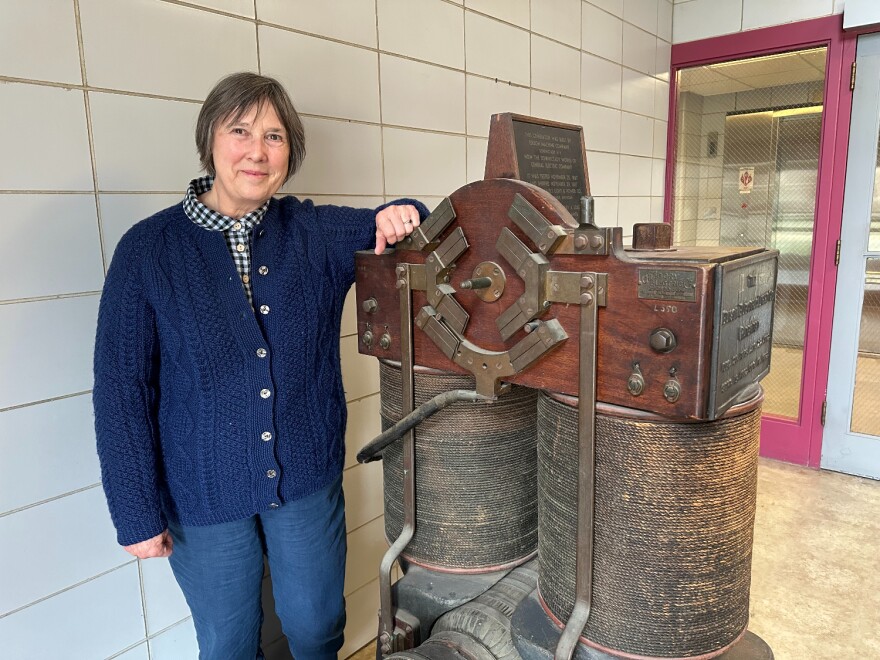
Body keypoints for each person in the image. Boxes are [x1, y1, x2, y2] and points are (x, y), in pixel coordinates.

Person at [93, 71, 428, 660]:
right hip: (200, 489)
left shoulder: (312, 232)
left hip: (303, 474)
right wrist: (135, 510)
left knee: (319, 626)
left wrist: (402, 212)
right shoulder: (147, 251)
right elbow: (121, 388)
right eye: (240, 130)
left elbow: (396, 222)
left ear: (290, 154)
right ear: (210, 142)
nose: (256, 150)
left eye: (274, 137)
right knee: (227, 643)